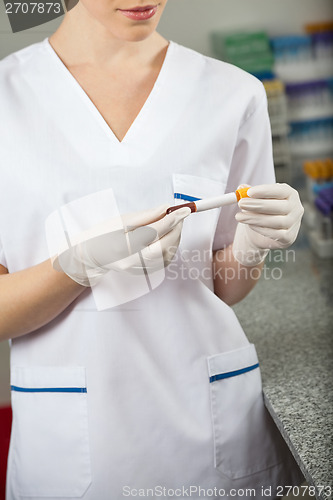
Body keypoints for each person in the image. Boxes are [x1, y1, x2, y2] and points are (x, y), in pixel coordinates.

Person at [0, 1, 304, 498]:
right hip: (76, 447)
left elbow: (223, 287)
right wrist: (74, 269)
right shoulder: (6, 100)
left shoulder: (234, 93)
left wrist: (251, 248)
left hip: (212, 432)